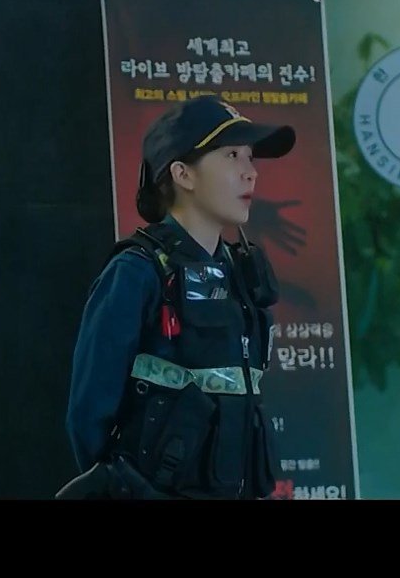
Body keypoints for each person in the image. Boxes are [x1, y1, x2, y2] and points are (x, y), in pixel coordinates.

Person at [60, 95, 295, 499]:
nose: (251, 172)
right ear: (183, 173)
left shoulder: (242, 276)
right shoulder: (137, 272)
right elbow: (88, 417)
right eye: (232, 155)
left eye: (251, 157)